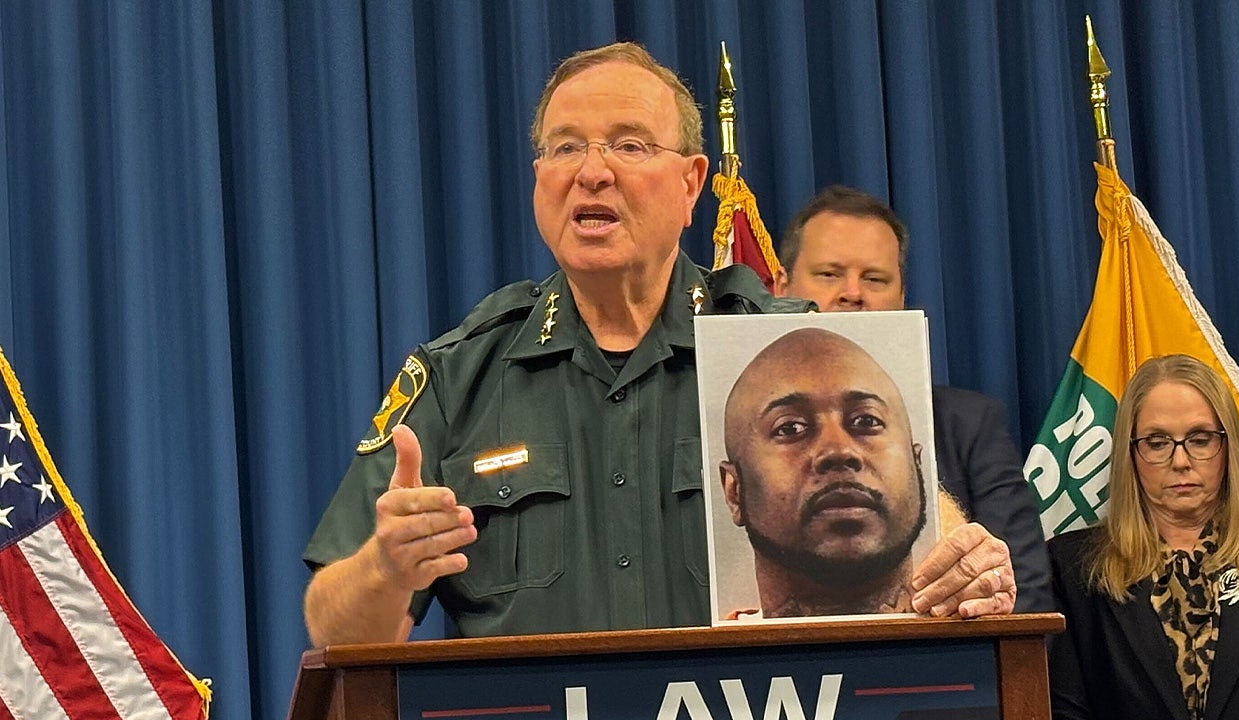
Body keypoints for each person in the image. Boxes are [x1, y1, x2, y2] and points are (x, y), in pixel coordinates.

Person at [302, 43, 1016, 647]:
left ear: (691, 183)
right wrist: (385, 569)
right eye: (565, 147)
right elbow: (335, 633)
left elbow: (930, 542)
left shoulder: (776, 348)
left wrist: (965, 565)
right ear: (539, 180)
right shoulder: (459, 374)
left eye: (629, 145)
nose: (592, 171)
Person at [773, 185, 1052, 612]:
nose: (853, 293)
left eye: (875, 278)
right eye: (829, 274)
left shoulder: (969, 426)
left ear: (902, 298)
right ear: (780, 288)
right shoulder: (726, 422)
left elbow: (1027, 595)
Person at [1048, 354, 1239, 720]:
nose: (1181, 461)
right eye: (1157, 443)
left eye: (1200, 440)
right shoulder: (1072, 570)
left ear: (1228, 448)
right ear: (1130, 453)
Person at [720, 328, 929, 617]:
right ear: (734, 491)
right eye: (790, 428)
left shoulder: (979, 627)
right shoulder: (711, 647)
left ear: (918, 466)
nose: (839, 451)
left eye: (866, 421)